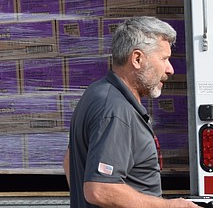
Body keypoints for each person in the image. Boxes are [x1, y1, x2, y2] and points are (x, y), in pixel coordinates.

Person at [63, 16, 199, 208]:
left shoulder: (97, 93)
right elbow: (99, 189)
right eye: (164, 59)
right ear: (137, 59)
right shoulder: (116, 110)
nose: (170, 69)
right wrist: (171, 206)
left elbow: (70, 159)